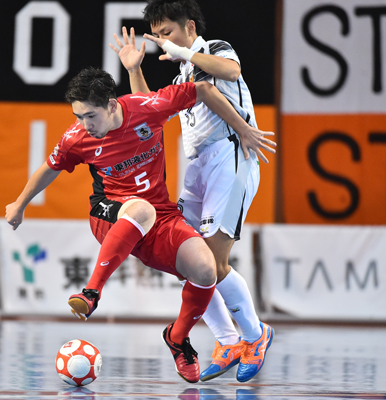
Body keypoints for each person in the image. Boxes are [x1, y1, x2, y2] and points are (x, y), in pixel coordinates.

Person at [5, 67, 274, 383]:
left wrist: (243, 128)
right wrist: (20, 203)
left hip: (161, 216)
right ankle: (91, 292)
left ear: (112, 105)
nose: (85, 124)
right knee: (142, 209)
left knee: (206, 269)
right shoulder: (77, 138)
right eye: (78, 116)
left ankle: (178, 338)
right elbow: (49, 168)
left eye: (90, 116)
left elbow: (203, 89)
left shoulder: (148, 108)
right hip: (109, 214)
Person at [109, 0, 275, 383]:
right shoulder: (183, 76)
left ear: (189, 27)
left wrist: (183, 52)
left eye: (167, 32)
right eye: (158, 35)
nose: (163, 41)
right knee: (188, 259)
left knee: (214, 261)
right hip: (198, 167)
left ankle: (255, 335)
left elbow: (232, 71)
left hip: (230, 156)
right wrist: (134, 69)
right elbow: (149, 109)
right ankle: (228, 340)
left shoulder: (214, 49)